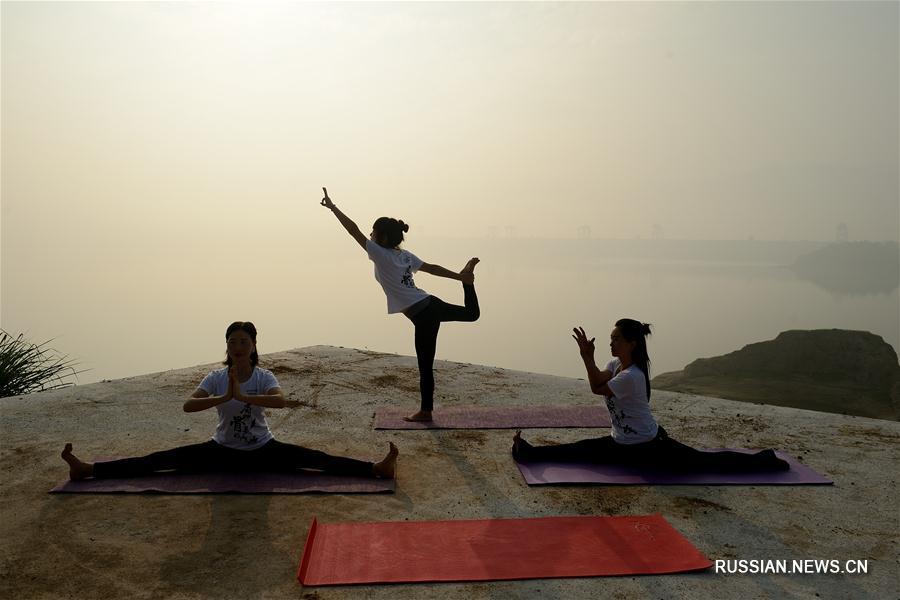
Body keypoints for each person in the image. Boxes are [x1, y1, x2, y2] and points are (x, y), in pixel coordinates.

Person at [62, 321, 397, 480]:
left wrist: (246, 395)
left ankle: (375, 468)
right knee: (159, 460)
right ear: (227, 346)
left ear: (253, 346)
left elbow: (279, 402)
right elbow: (187, 406)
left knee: (317, 459)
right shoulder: (216, 378)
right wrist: (226, 395)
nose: (238, 346)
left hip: (262, 450)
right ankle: (89, 469)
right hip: (220, 450)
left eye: (244, 341)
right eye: (232, 341)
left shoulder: (264, 377)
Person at [513, 318, 789, 472]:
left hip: (649, 446)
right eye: (611, 338)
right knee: (579, 450)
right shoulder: (616, 366)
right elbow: (598, 380)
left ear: (631, 343)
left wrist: (587, 358)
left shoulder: (631, 376)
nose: (611, 342)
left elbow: (597, 388)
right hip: (621, 443)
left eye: (616, 338)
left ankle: (764, 460)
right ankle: (530, 452)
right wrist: (588, 356)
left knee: (706, 462)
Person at [320, 187, 480, 422]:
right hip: (429, 304)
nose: (370, 236)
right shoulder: (404, 256)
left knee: (425, 365)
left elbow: (353, 230)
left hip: (424, 314)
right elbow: (432, 269)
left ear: (382, 238)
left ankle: (426, 412)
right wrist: (460, 278)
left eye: (373, 233)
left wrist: (333, 208)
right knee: (471, 314)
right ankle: (468, 282)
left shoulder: (380, 254)